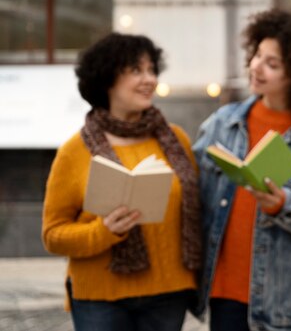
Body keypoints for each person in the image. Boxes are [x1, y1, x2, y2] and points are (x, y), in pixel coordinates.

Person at [192, 6, 291, 331]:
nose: (256, 68)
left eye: (272, 64)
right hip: (225, 294)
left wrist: (282, 205)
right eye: (258, 55)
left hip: (287, 304)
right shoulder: (224, 123)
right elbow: (192, 194)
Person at [42, 33, 202, 331]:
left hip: (169, 294)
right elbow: (52, 235)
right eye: (135, 70)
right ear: (107, 79)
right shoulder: (74, 151)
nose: (149, 79)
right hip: (100, 299)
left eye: (152, 69)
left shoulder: (176, 140)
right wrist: (104, 231)